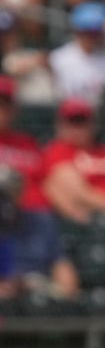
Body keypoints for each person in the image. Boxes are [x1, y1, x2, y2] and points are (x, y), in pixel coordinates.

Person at [0, 76, 78, 297]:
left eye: (5, 103)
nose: (1, 109)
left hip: (31, 220)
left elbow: (49, 182)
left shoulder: (28, 143)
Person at [49, 1, 105, 106]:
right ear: (77, 31)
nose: (90, 38)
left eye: (95, 33)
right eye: (85, 32)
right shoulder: (58, 58)